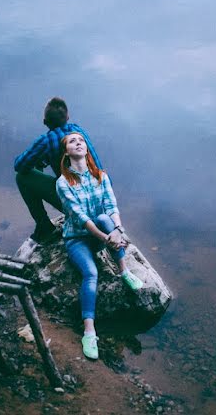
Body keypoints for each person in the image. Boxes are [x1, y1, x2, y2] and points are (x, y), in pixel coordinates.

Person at [56, 132, 143, 360]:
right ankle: (89, 332)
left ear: (86, 148)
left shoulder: (100, 176)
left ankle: (123, 271)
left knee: (106, 218)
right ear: (66, 152)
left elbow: (111, 206)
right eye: (72, 141)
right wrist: (107, 239)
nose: (78, 143)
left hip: (101, 231)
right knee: (91, 273)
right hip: (77, 238)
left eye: (81, 140)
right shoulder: (63, 183)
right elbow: (81, 217)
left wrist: (118, 231)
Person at [14, 97, 104, 243]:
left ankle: (44, 227)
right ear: (68, 117)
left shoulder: (47, 141)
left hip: (80, 208)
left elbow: (19, 166)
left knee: (22, 177)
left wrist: (38, 158)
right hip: (99, 204)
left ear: (45, 122)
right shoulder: (78, 131)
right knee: (43, 162)